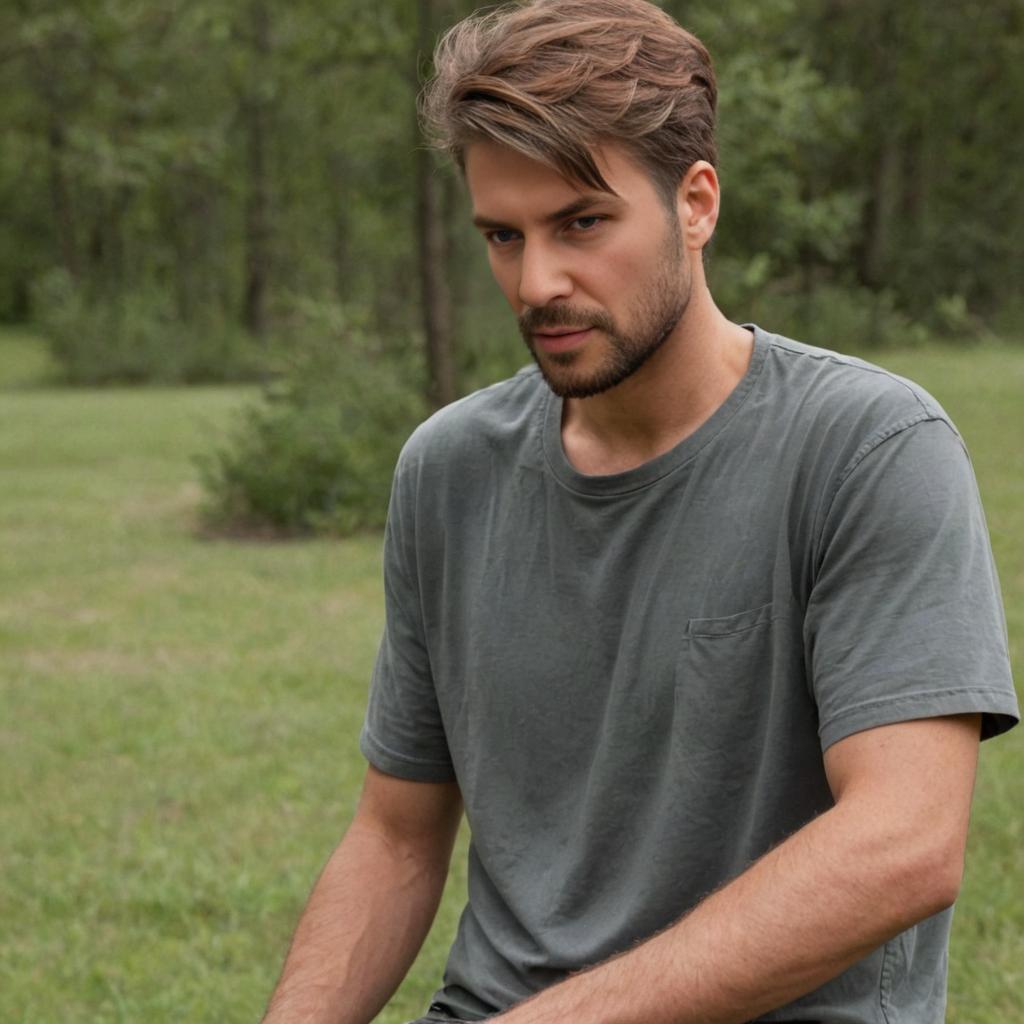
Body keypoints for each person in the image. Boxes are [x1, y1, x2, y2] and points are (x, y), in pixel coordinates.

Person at [261, 1, 1019, 1022]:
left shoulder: (866, 447)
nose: (537, 282)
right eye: (502, 235)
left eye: (581, 223)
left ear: (695, 202)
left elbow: (904, 842)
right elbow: (395, 837)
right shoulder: (447, 470)